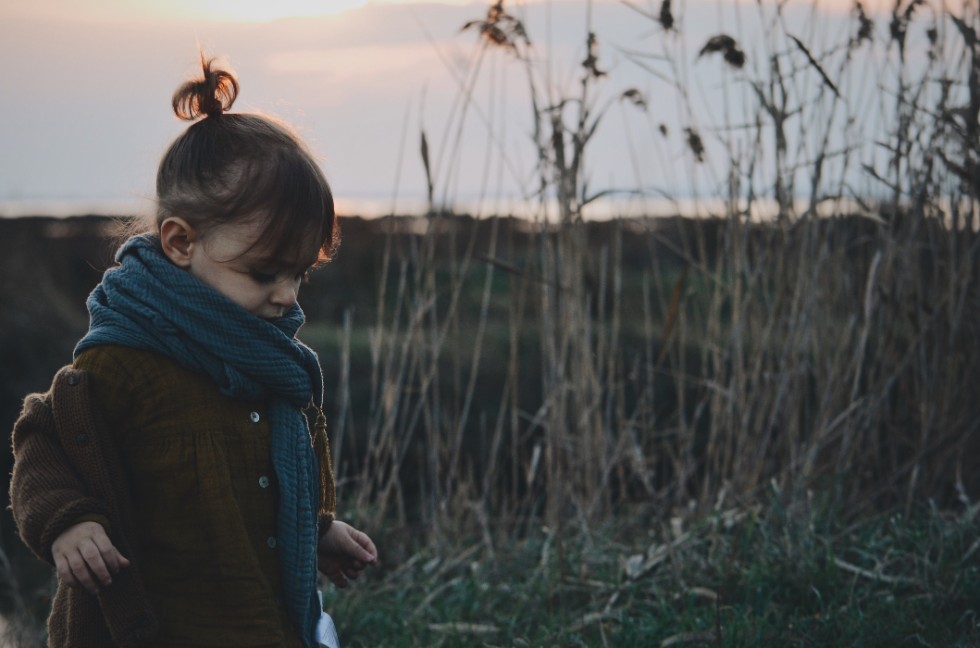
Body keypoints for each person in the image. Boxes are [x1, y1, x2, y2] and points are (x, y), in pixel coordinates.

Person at [8, 55, 377, 648]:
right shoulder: (126, 359)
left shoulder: (263, 361)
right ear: (181, 241)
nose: (287, 296)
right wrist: (68, 522)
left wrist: (317, 529)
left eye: (300, 274)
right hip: (159, 625)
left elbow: (263, 476)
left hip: (260, 621)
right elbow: (43, 437)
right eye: (264, 273)